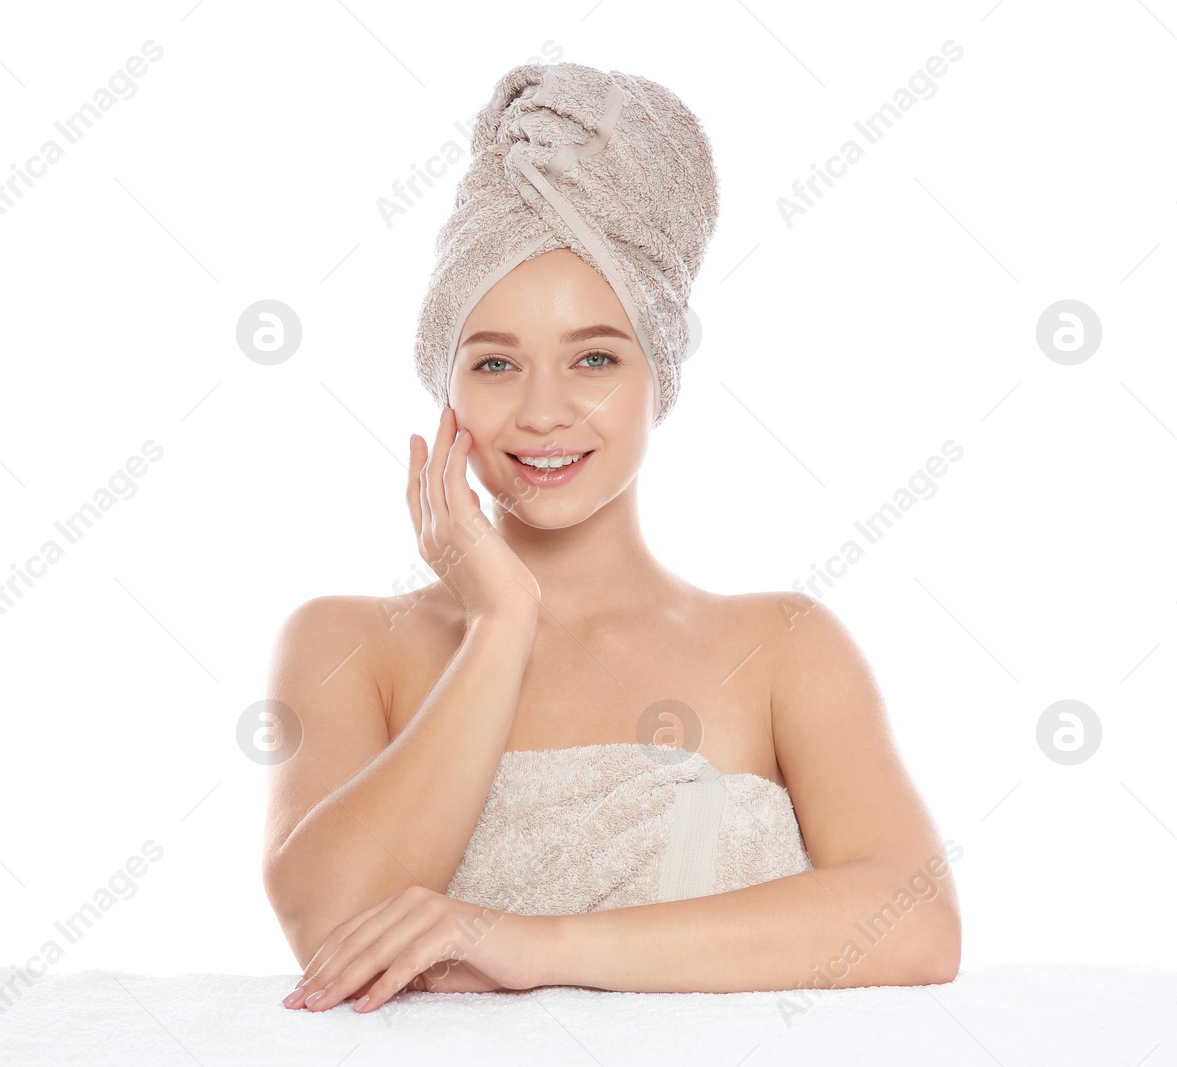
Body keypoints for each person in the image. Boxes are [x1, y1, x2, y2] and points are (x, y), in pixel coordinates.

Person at [263, 62, 960, 1014]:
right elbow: (331, 934)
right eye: (496, 362)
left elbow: (915, 923)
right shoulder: (347, 644)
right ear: (449, 389)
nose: (544, 411)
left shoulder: (784, 647)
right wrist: (500, 620)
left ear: (657, 376)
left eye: (594, 357)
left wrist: (538, 945)